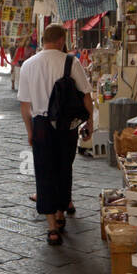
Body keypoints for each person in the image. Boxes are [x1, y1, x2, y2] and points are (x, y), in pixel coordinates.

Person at [18, 24, 94, 245]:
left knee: (44, 172)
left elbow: (25, 106)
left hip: (41, 124)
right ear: (62, 39)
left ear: (43, 39)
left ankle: (52, 227)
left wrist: (29, 131)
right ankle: (61, 213)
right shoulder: (71, 62)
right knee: (64, 168)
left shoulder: (28, 65)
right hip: (66, 125)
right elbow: (86, 96)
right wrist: (90, 122)